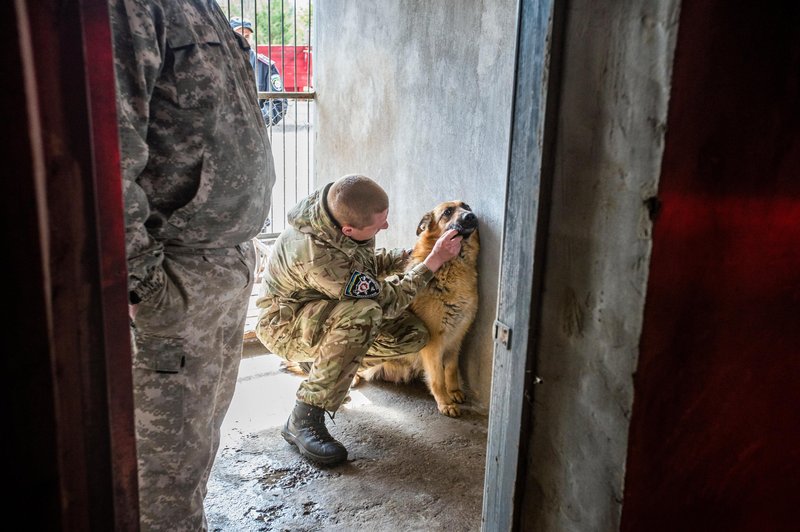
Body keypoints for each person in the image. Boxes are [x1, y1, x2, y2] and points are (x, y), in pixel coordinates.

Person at [110, 1, 276, 530]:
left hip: (222, 266)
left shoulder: (203, 8)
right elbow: (109, 150)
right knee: (162, 467)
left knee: (197, 442)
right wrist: (142, 285)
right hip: (174, 278)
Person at [255, 174, 463, 465]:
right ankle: (304, 417)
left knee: (412, 335)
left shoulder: (336, 212)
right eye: (380, 225)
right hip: (285, 326)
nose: (386, 227)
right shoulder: (317, 256)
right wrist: (432, 262)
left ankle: (327, 366)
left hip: (322, 308)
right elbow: (384, 300)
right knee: (363, 313)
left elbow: (365, 262)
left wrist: (412, 255)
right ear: (349, 229)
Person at [230, 16, 289, 127]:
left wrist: (256, 121)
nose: (243, 40)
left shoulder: (265, 66)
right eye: (238, 36)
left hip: (256, 134)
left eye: (247, 36)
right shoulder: (222, 63)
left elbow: (279, 103)